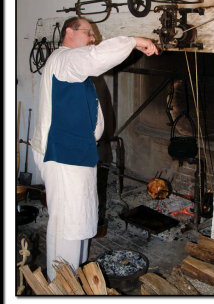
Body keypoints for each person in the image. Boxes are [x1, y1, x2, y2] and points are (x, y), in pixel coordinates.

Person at [30, 16, 158, 281]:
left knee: (79, 220)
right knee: (67, 224)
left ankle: (77, 278)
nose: (92, 39)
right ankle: (61, 285)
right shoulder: (64, 59)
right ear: (69, 32)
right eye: (88, 33)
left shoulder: (72, 67)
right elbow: (96, 57)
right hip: (63, 155)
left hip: (77, 153)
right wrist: (134, 41)